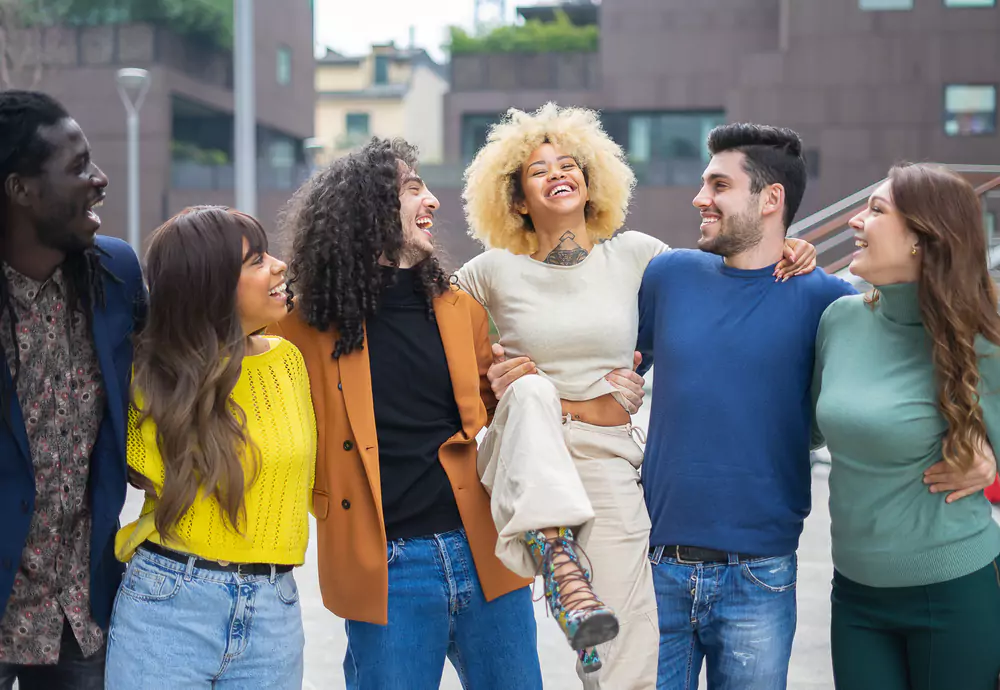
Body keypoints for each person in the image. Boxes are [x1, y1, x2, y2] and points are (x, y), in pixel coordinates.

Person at [457, 104, 816, 688]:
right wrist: (492, 383)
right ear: (516, 198)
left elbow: (729, 271)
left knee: (629, 646)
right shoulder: (488, 271)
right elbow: (436, 336)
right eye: (537, 170)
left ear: (592, 178)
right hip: (529, 448)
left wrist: (794, 250)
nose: (555, 174)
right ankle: (557, 558)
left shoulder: (638, 255)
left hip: (607, 453)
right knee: (525, 391)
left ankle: (571, 590)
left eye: (566, 163)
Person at [636, 124, 995, 690]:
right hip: (672, 567)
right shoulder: (677, 278)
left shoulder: (834, 302)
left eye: (719, 184)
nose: (700, 197)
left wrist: (989, 456)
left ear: (771, 198)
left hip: (777, 576)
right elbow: (607, 368)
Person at [272, 137, 543, 689]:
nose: (433, 202)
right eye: (413, 187)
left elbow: (490, 414)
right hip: (387, 569)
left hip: (485, 551)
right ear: (367, 208)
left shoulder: (458, 307)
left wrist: (517, 385)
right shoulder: (299, 327)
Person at [104, 206, 315, 690]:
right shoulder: (151, 376)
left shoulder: (289, 362)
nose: (279, 265)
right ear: (211, 286)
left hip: (273, 610)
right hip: (168, 605)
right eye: (257, 261)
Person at [813, 163, 1000, 690]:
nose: (855, 220)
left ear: (923, 237)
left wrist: (990, 456)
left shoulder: (983, 336)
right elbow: (803, 432)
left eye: (875, 210)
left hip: (955, 592)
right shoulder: (840, 321)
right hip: (854, 593)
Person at [0, 90, 146, 690]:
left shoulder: (116, 274)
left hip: (80, 608)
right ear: (21, 189)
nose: (99, 178)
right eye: (78, 166)